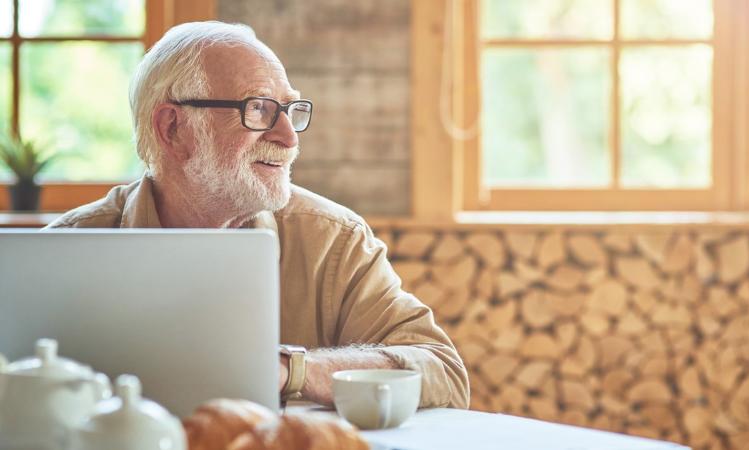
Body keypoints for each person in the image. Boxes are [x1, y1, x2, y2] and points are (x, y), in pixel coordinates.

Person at [46, 21, 469, 409]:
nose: (288, 138)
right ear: (172, 128)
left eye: (290, 110)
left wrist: (290, 370)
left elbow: (443, 372)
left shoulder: (332, 241)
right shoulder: (60, 251)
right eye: (259, 110)